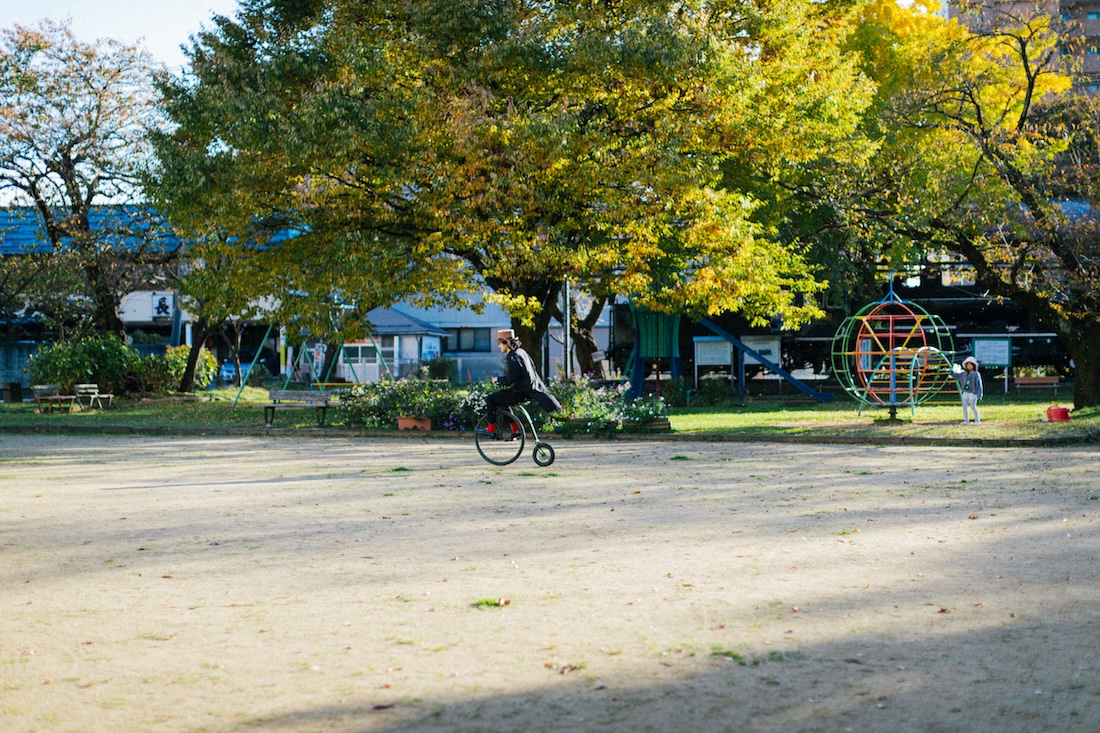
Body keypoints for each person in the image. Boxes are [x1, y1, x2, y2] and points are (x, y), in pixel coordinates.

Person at [481, 329, 561, 438]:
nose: (499, 346)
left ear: (506, 343)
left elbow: (513, 377)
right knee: (502, 402)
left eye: (500, 343)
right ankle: (515, 429)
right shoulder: (522, 352)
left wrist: (499, 380)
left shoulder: (512, 356)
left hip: (520, 391)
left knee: (491, 399)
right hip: (528, 390)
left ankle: (491, 429)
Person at [954, 356, 983, 425]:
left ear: (974, 365)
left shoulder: (976, 374)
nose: (969, 366)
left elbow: (979, 385)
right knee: (964, 406)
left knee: (973, 407)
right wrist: (952, 371)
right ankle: (966, 420)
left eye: (971, 364)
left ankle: (977, 420)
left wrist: (979, 394)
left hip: (973, 393)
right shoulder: (964, 373)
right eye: (968, 364)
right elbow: (957, 376)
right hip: (965, 392)